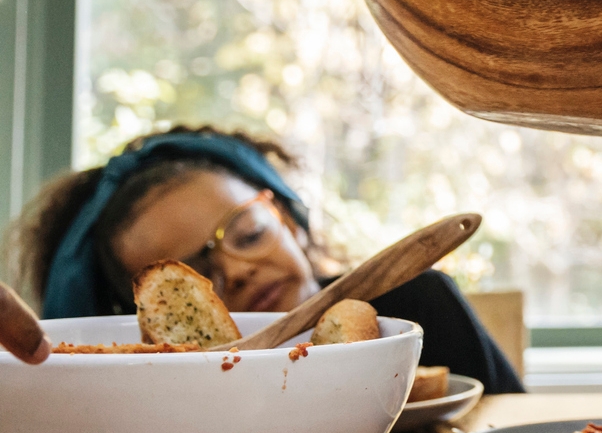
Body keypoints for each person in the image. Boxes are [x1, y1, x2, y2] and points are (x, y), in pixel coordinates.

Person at [9, 126, 523, 392]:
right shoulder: (157, 397)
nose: (234, 270)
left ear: (289, 220)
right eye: (195, 280)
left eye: (248, 234)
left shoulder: (415, 305)